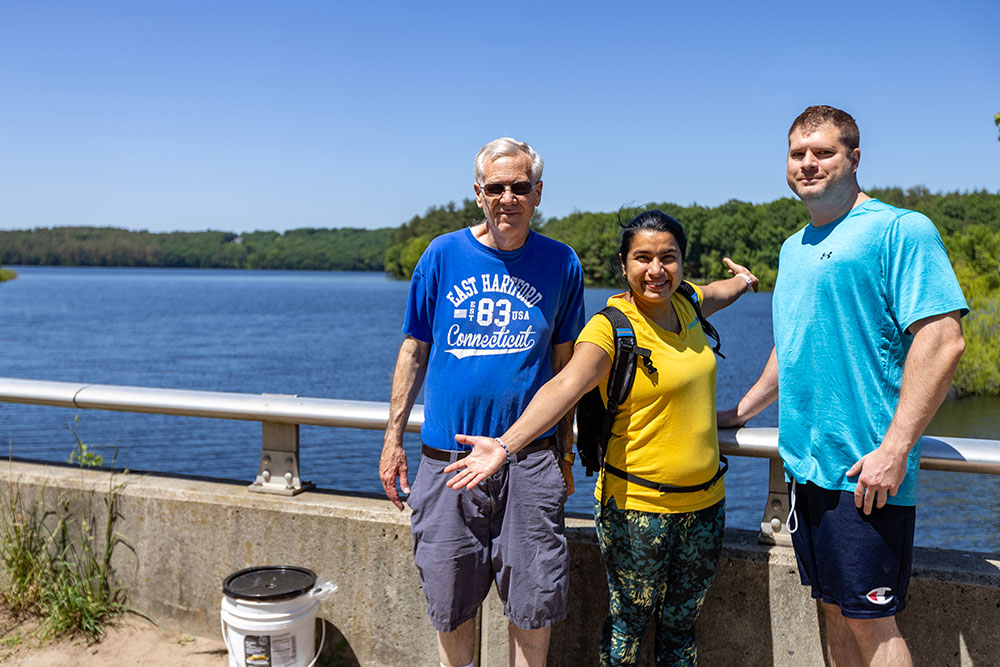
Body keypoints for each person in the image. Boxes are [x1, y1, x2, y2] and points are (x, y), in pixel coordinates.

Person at [446, 209, 759, 666]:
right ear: (624, 263)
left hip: (705, 506)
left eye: (668, 257)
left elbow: (720, 291)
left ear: (681, 262)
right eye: (643, 258)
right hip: (637, 510)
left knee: (681, 627)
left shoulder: (688, 302)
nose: (656, 270)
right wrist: (506, 444)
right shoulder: (610, 329)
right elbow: (562, 387)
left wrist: (747, 281)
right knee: (627, 631)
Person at [718, 105, 968, 666]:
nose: (808, 164)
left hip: (867, 471)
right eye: (797, 154)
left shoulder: (899, 229)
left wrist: (896, 448)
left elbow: (943, 339)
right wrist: (741, 411)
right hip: (807, 468)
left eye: (823, 152)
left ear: (854, 158)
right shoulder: (794, 247)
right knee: (832, 608)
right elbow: (795, 344)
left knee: (871, 622)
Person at [378, 137, 586, 667]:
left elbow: (564, 370)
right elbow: (413, 350)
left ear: (538, 193)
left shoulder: (561, 263)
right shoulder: (442, 255)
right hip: (445, 463)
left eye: (520, 187)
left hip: (528, 462)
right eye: (496, 188)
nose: (508, 198)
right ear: (478, 194)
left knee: (533, 611)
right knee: (451, 610)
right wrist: (392, 440)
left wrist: (563, 455)